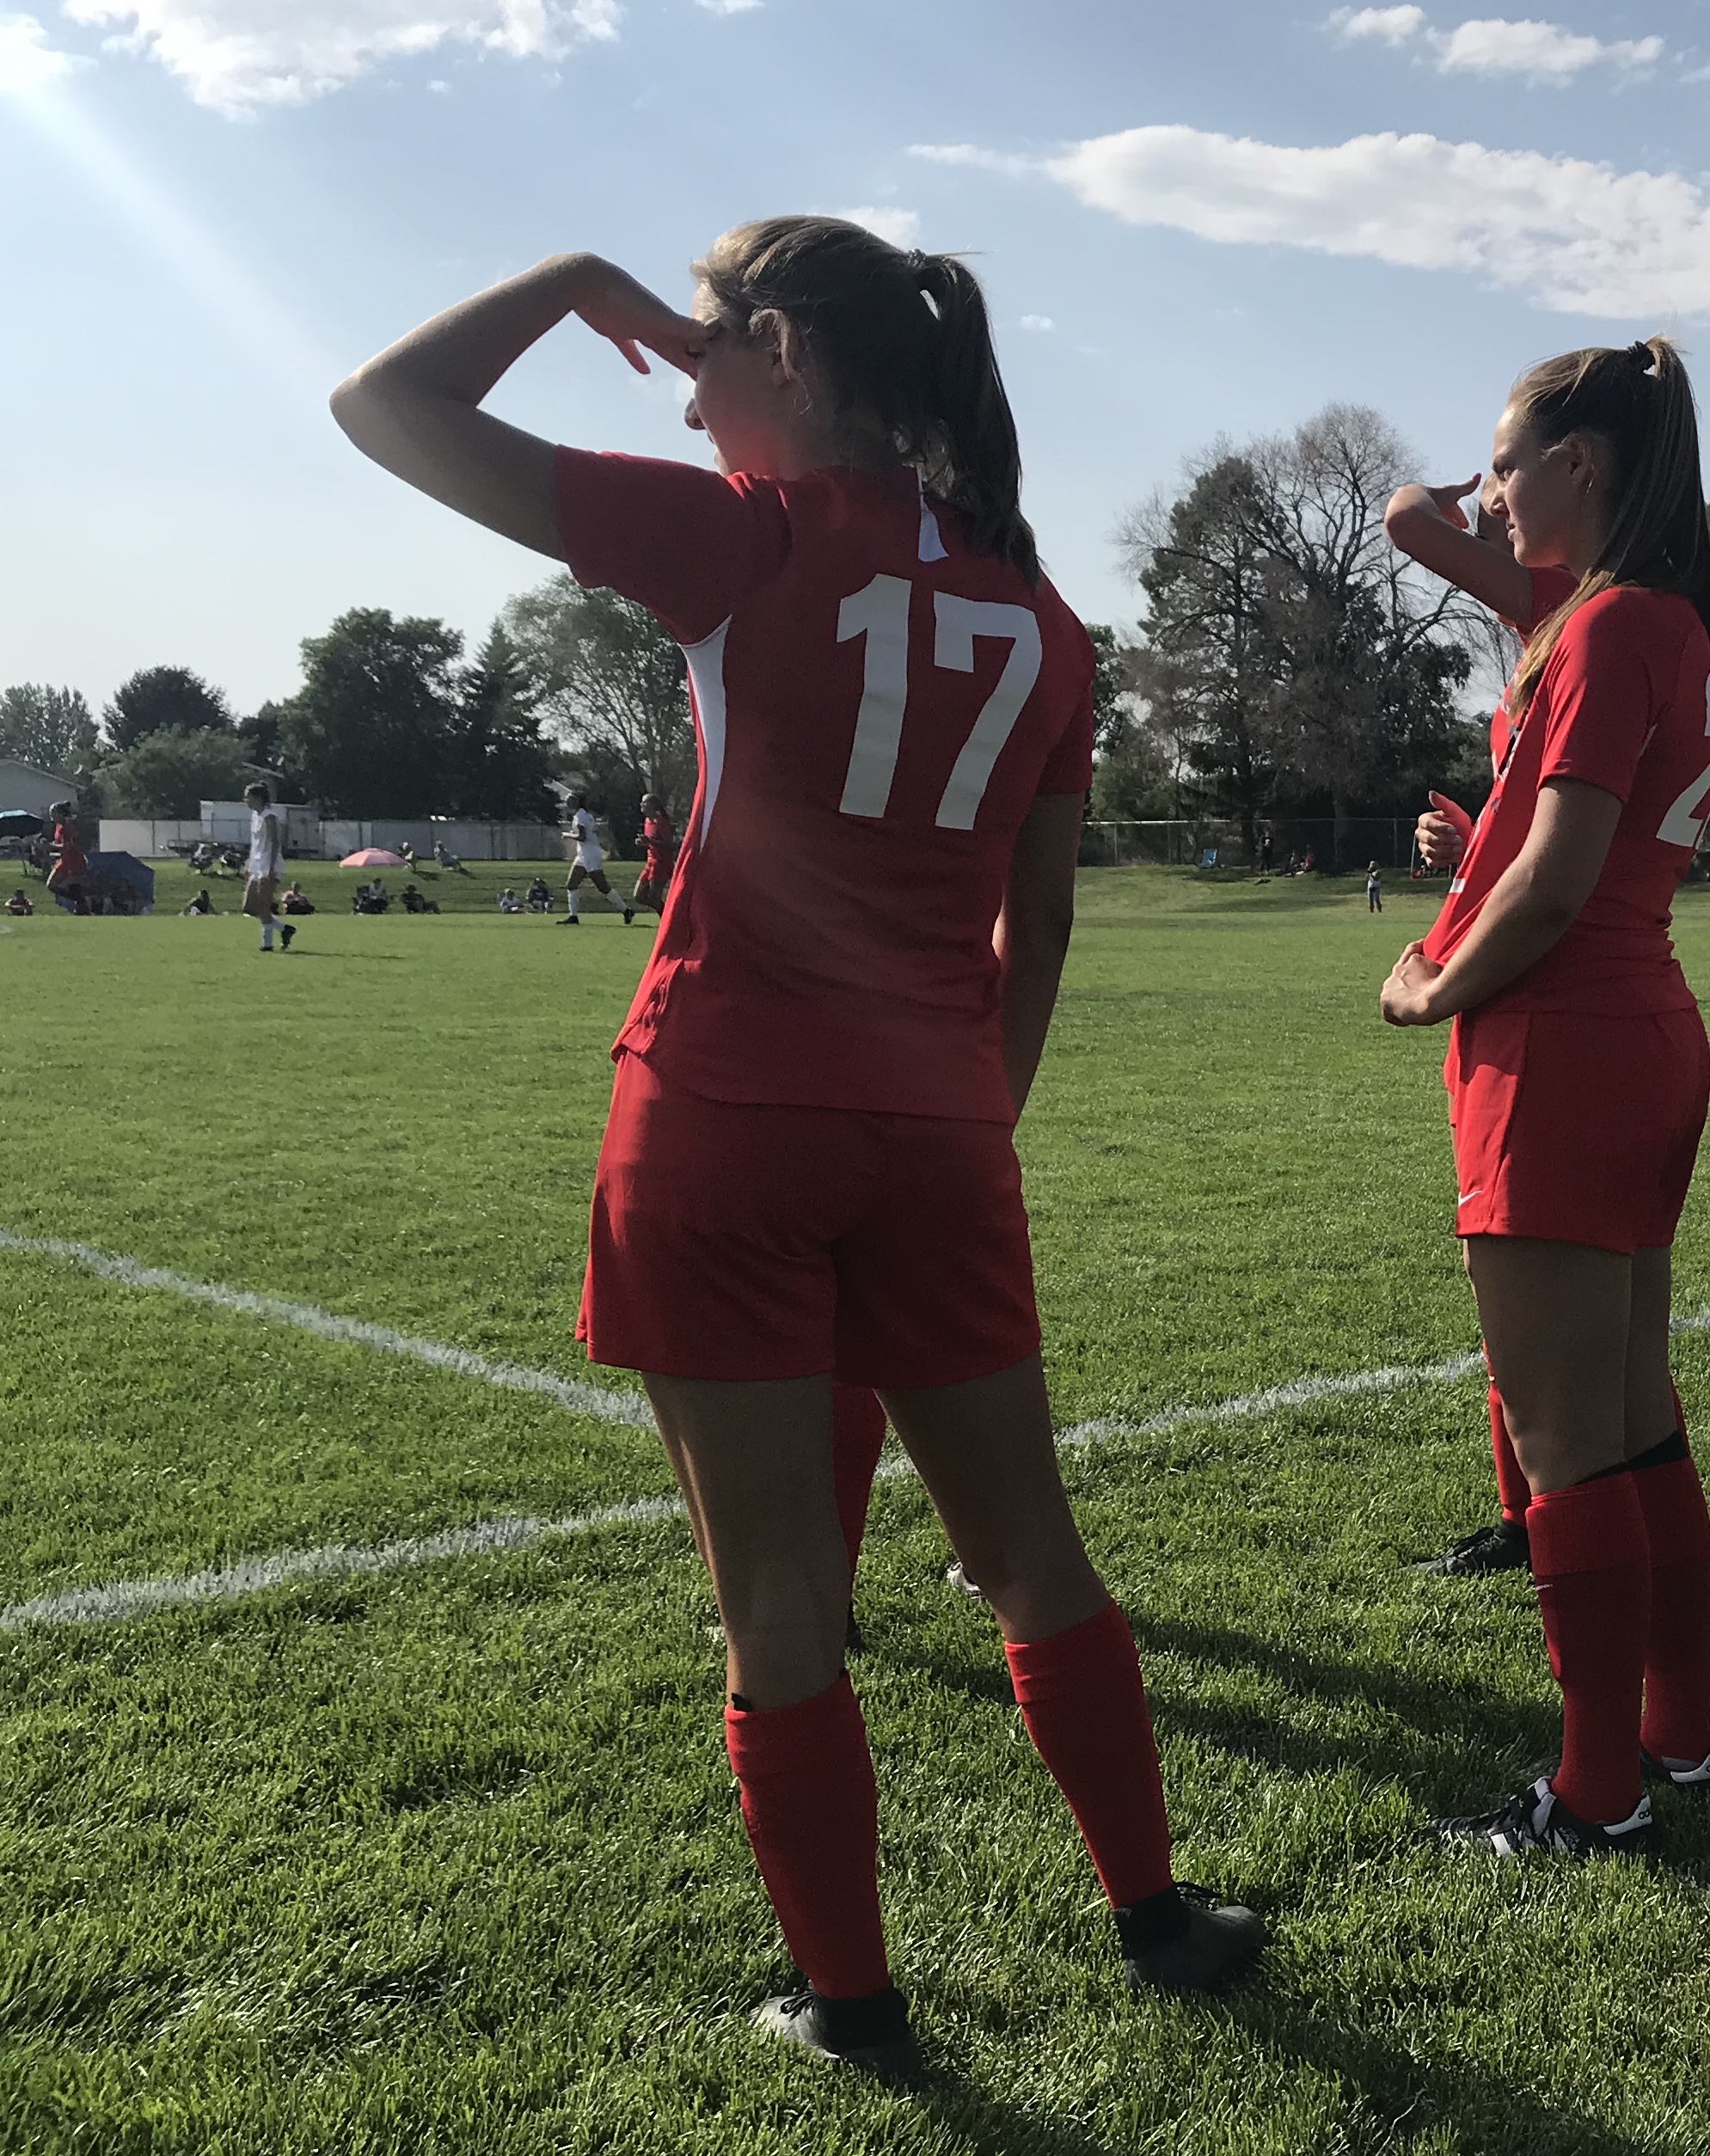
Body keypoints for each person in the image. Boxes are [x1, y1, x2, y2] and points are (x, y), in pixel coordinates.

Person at [328, 216, 1263, 2069]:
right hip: (936, 1123)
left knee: (778, 1603)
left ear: (791, 352)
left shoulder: (744, 543)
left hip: (726, 1114)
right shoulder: (1046, 616)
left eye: (702, 353)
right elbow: (1044, 927)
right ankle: (1156, 1913)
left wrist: (574, 283)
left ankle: (852, 2002)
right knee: (1034, 1559)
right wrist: (960, 1123)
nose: (683, 394)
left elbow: (382, 405)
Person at [1377, 337, 1710, 1856]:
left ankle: (1595, 1789)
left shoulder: (1606, 626)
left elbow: (1557, 880)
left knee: (1561, 1441)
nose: (1494, 488)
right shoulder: (1672, 623)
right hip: (1637, 1027)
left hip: (1566, 1045)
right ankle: (1678, 1734)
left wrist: (1429, 984)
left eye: (1510, 459)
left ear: (1581, 465)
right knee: (1631, 1412)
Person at [241, 783, 297, 952]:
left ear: (257, 798)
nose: (245, 801)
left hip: (268, 865)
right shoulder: (254, 816)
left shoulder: (269, 816)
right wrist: (249, 863)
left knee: (263, 905)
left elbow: (274, 842)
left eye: (247, 797)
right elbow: (255, 843)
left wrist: (271, 867)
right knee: (249, 907)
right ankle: (284, 929)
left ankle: (267, 944)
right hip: (256, 865)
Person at [561, 799, 633, 925]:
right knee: (572, 884)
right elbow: (585, 834)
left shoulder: (580, 816)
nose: (568, 802)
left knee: (602, 886)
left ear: (578, 801)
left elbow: (582, 837)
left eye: (572, 799)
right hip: (584, 854)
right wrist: (575, 833)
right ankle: (573, 916)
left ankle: (626, 910)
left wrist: (567, 835)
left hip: (590, 855)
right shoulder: (585, 815)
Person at [633, 793, 678, 919]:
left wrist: (650, 841)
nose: (641, 805)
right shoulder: (647, 821)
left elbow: (669, 845)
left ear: (653, 806)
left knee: (654, 898)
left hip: (661, 864)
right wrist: (644, 843)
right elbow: (651, 843)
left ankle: (669, 920)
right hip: (650, 862)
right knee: (639, 896)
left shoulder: (661, 822)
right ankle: (669, 916)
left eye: (645, 803)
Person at [44, 802, 89, 914]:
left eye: (53, 812)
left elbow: (68, 846)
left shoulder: (67, 827)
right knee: (51, 885)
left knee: (75, 887)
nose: (51, 815)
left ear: (60, 813)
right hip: (64, 860)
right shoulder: (58, 827)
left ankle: (82, 905)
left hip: (74, 861)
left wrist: (50, 846)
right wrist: (45, 847)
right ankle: (81, 901)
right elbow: (58, 844)